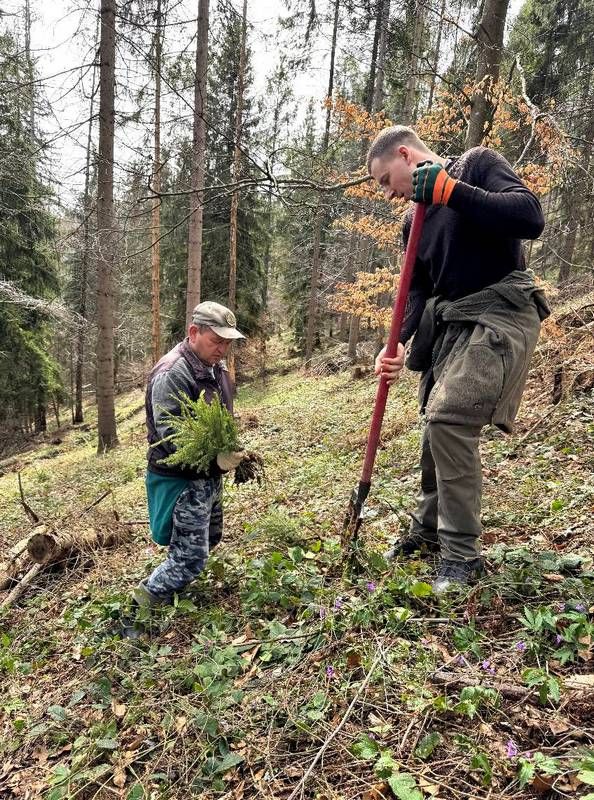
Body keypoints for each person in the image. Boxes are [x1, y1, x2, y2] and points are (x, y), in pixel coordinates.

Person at [367, 125, 549, 593]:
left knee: (448, 420)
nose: (389, 193)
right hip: (452, 324)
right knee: (434, 424)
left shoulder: (476, 166)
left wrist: (452, 192)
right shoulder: (413, 221)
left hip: (502, 312)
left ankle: (461, 555)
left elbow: (530, 216)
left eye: (388, 181)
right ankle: (427, 531)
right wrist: (400, 341)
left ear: (406, 156)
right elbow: (420, 288)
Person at [131, 301, 246, 616]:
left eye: (227, 342)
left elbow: (219, 420)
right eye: (216, 340)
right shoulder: (173, 373)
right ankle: (140, 606)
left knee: (211, 537)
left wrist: (228, 452)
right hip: (180, 480)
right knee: (189, 560)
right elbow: (172, 440)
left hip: (207, 478)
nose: (222, 348)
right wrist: (217, 462)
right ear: (194, 332)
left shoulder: (215, 368)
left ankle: (175, 593)